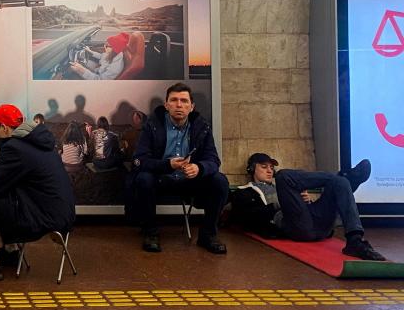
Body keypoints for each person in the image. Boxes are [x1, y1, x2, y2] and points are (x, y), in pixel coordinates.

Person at [0, 104, 75, 281]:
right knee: (5, 195)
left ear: (5, 127)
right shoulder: (34, 142)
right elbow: (23, 174)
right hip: (60, 212)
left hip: (44, 216)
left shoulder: (15, 147)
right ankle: (11, 251)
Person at [129, 82, 229, 253]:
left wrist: (199, 168)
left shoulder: (201, 127)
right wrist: (167, 165)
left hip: (191, 181)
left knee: (220, 181)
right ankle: (151, 233)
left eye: (184, 101)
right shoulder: (152, 125)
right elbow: (139, 161)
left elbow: (213, 160)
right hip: (161, 180)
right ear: (166, 105)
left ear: (192, 106)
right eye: (174, 100)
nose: (179, 105)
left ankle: (208, 235)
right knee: (143, 179)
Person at [231, 153, 386, 261]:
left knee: (339, 184)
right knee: (284, 175)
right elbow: (247, 217)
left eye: (271, 167)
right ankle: (340, 177)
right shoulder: (245, 191)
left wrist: (307, 201)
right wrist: (280, 204)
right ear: (251, 169)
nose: (269, 170)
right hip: (292, 226)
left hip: (317, 224)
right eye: (264, 167)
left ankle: (355, 240)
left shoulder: (283, 187)